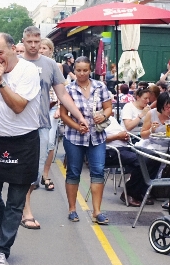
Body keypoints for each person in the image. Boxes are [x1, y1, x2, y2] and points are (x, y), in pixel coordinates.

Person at [0, 33, 41, 265]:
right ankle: (6, 230)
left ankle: (1, 250)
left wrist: (0, 82)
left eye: (0, 53)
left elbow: (18, 107)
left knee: (16, 202)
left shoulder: (27, 72)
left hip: (25, 141)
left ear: (13, 49)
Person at [18, 26, 87, 230]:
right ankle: (24, 209)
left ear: (41, 42)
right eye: (29, 41)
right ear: (23, 41)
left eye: (36, 41)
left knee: (36, 170)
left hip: (40, 124)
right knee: (20, 168)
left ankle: (22, 204)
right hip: (18, 125)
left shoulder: (50, 65)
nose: (33, 45)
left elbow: (63, 94)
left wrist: (79, 116)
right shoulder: (16, 63)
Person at [60, 56, 112, 225]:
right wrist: (77, 126)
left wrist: (103, 115)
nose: (82, 73)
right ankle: (72, 209)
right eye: (78, 70)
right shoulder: (69, 89)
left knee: (98, 170)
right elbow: (63, 115)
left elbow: (108, 107)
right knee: (73, 171)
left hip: (97, 137)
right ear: (74, 70)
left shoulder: (100, 86)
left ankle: (97, 211)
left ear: (90, 71)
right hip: (74, 137)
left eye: (85, 70)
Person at [105, 116, 159, 207]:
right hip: (111, 151)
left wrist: (125, 136)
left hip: (127, 146)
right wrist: (117, 136)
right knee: (142, 161)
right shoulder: (94, 120)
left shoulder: (111, 119)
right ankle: (129, 193)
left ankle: (141, 192)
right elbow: (95, 140)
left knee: (154, 157)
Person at [38, 38, 63, 192]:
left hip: (52, 108)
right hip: (37, 108)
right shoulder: (32, 63)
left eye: (45, 48)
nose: (41, 50)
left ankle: (45, 174)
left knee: (50, 142)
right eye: (40, 47)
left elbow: (61, 90)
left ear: (51, 50)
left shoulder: (56, 65)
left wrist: (60, 108)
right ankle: (34, 173)